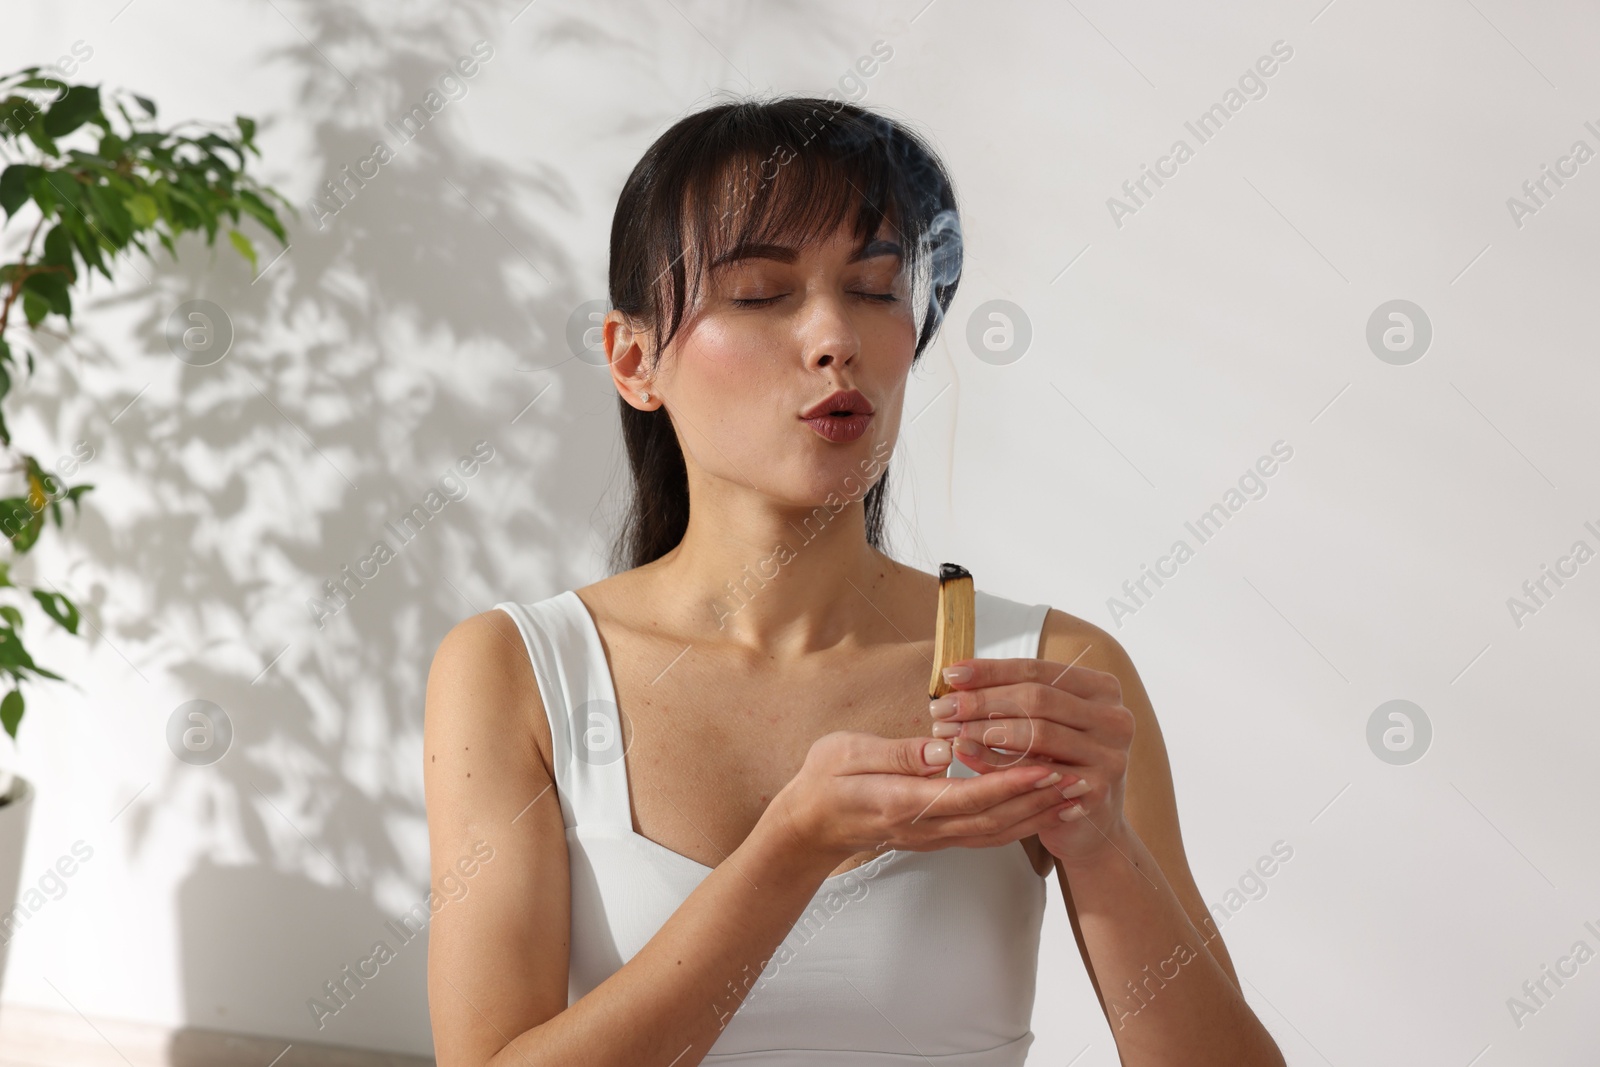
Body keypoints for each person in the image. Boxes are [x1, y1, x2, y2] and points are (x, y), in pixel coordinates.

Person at [423, 94, 1285, 1066]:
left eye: (875, 290)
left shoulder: (1050, 672)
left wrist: (1103, 849)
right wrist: (788, 850)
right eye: (759, 293)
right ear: (634, 359)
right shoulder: (516, 672)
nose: (834, 336)